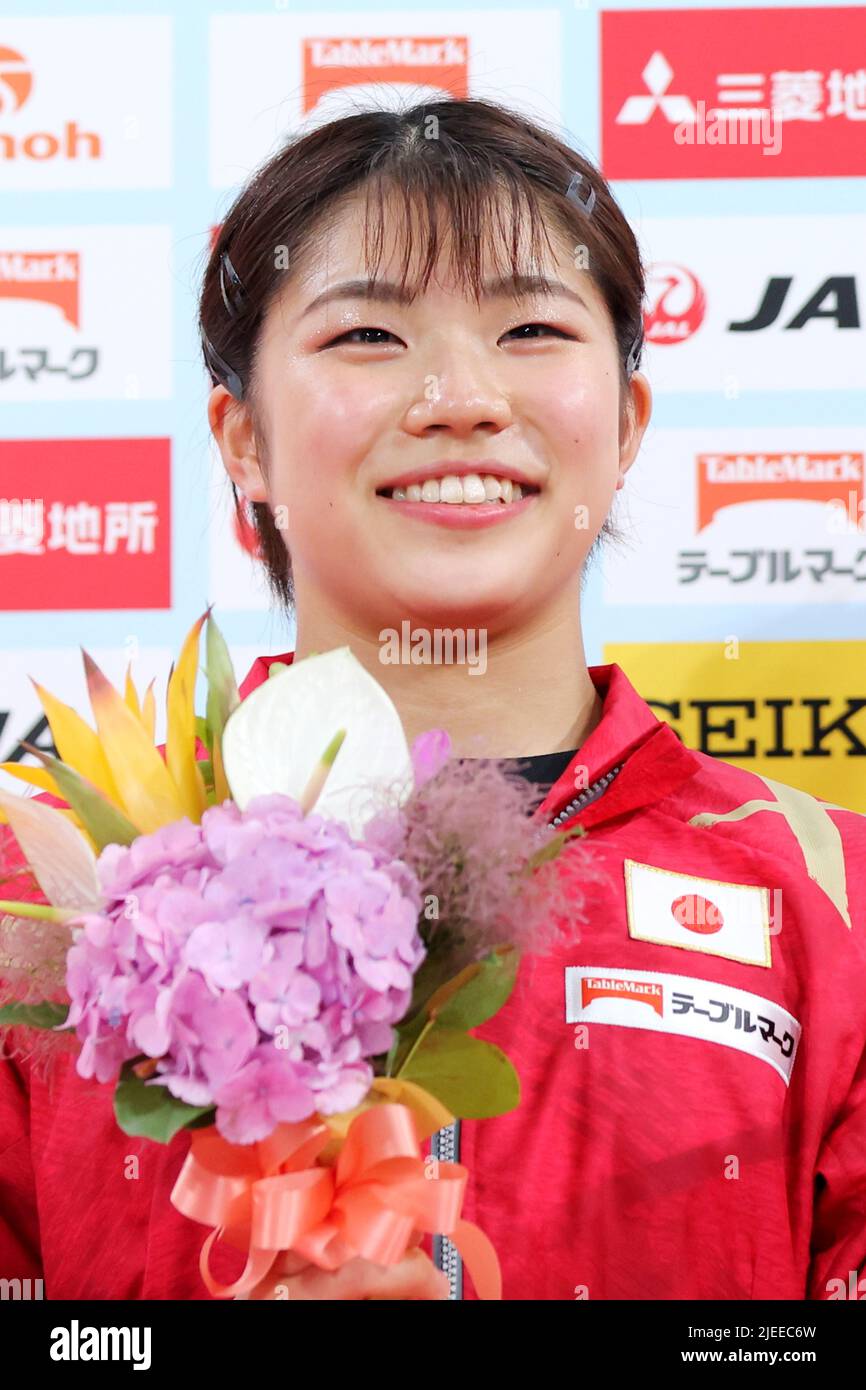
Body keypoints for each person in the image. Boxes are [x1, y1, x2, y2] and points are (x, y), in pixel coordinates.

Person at [2, 98, 865, 1301]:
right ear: (241, 440)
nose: (459, 396)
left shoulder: (828, 898)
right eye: (365, 336)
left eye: (527, 327)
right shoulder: (52, 900)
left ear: (623, 424)